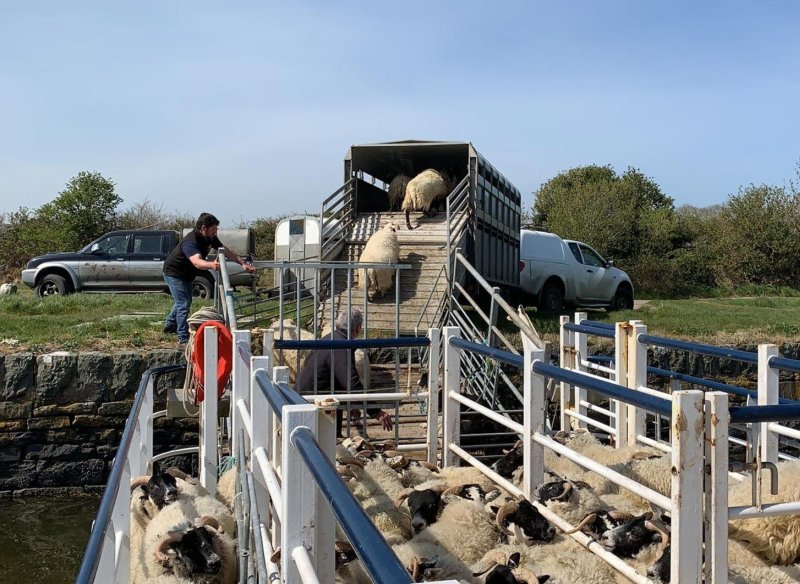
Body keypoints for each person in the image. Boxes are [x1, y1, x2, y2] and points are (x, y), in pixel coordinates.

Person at [162, 212, 256, 347]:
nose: (215, 233)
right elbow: (197, 262)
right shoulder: (190, 242)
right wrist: (212, 265)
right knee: (183, 303)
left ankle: (169, 326)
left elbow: (226, 251)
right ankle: (183, 338)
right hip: (174, 273)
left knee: (182, 301)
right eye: (213, 230)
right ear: (203, 228)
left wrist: (243, 263)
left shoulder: (210, 238)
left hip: (187, 274)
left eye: (216, 230)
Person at [296, 307, 393, 435]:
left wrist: (352, 402)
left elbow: (340, 377)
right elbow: (351, 383)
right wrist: (376, 412)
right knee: (326, 444)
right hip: (313, 405)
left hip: (305, 399)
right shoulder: (342, 346)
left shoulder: (330, 338)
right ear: (358, 328)